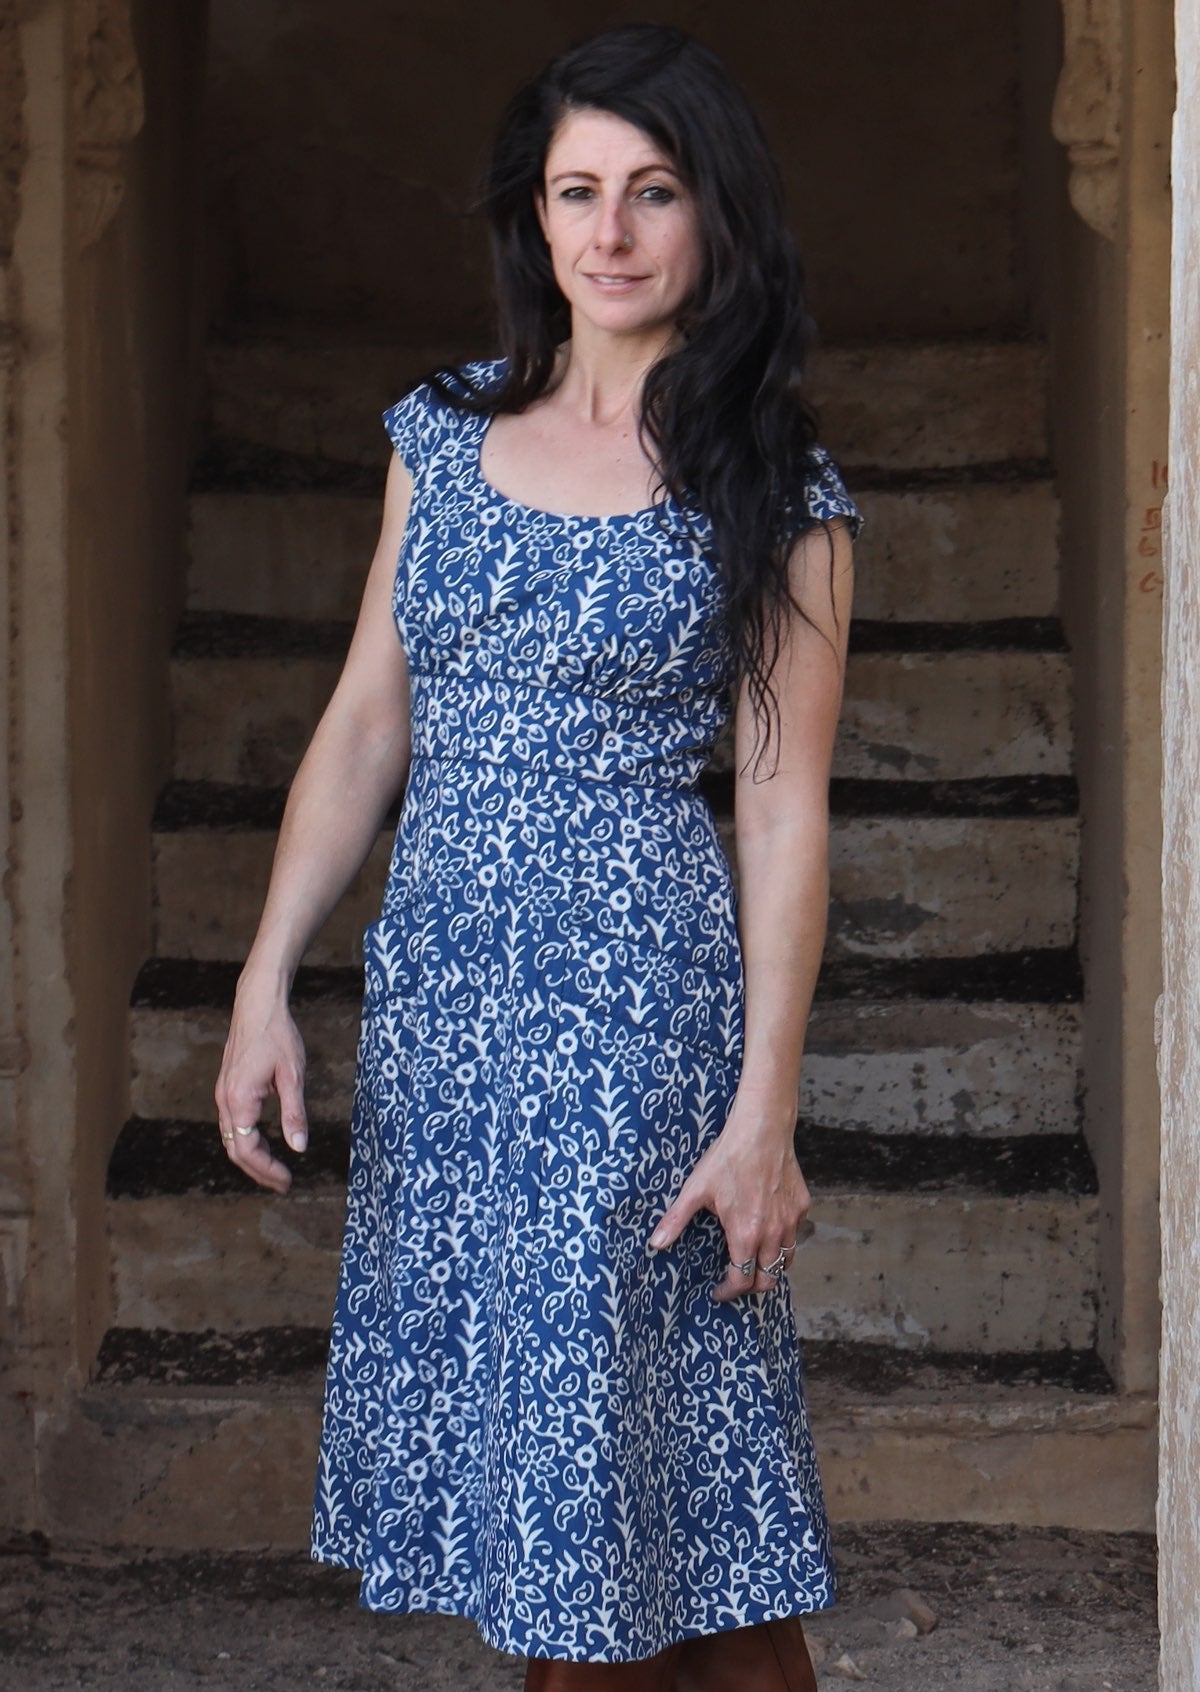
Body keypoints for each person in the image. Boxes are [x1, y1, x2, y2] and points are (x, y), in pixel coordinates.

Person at [214, 21, 863, 1691]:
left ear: (714, 218)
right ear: (535, 218)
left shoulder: (770, 481)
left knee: (599, 1469)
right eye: (579, 192)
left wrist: (765, 1110)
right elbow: (370, 723)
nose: (612, 232)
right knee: (579, 1489)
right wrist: (266, 978)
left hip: (630, 1007)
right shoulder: (440, 434)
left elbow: (786, 808)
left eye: (653, 193)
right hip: (446, 1015)